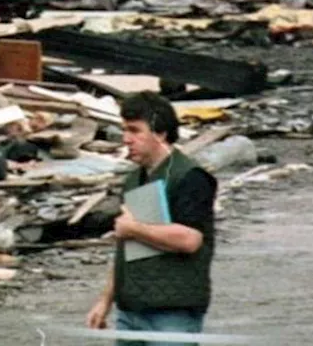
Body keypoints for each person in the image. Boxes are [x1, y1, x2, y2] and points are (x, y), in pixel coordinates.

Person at [86, 92, 218, 346]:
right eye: (124, 130)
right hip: (131, 311)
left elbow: (190, 239)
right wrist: (105, 301)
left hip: (172, 313)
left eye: (135, 131)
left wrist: (134, 228)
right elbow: (127, 248)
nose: (126, 139)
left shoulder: (190, 178)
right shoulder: (134, 179)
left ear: (160, 133)